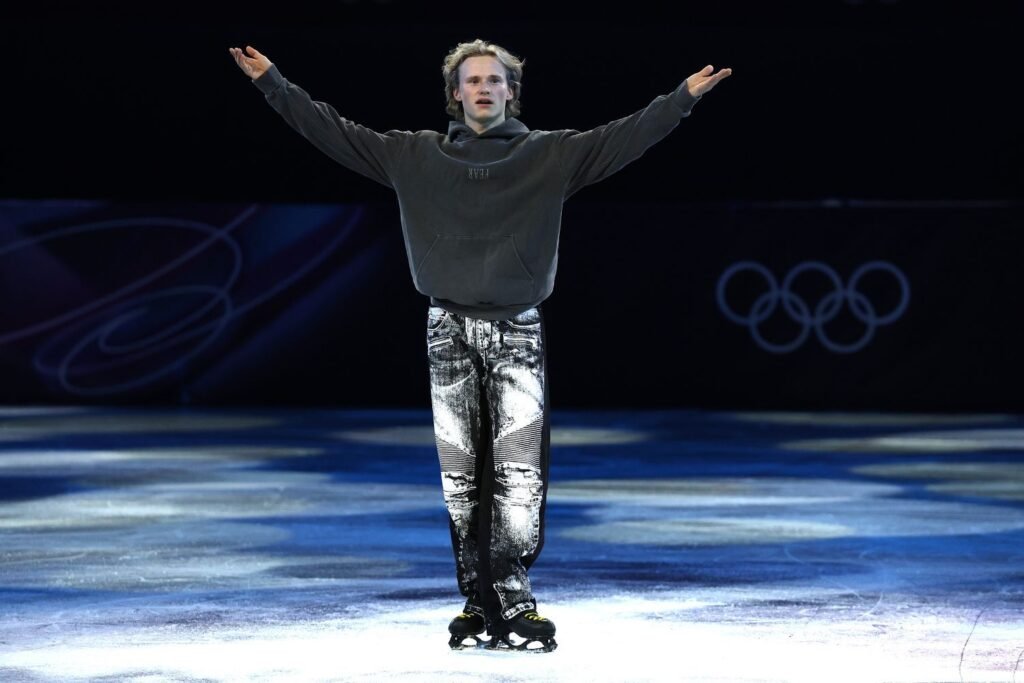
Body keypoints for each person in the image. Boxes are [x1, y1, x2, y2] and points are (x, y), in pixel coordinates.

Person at [229, 39, 731, 652]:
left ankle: (514, 599)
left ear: (512, 92)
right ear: (456, 93)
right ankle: (476, 600)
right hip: (447, 329)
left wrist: (680, 99)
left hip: (518, 328)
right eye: (473, 80)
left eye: (495, 80)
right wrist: (273, 84)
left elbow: (623, 137)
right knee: (462, 477)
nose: (484, 88)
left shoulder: (550, 154)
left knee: (518, 475)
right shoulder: (414, 154)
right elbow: (332, 131)